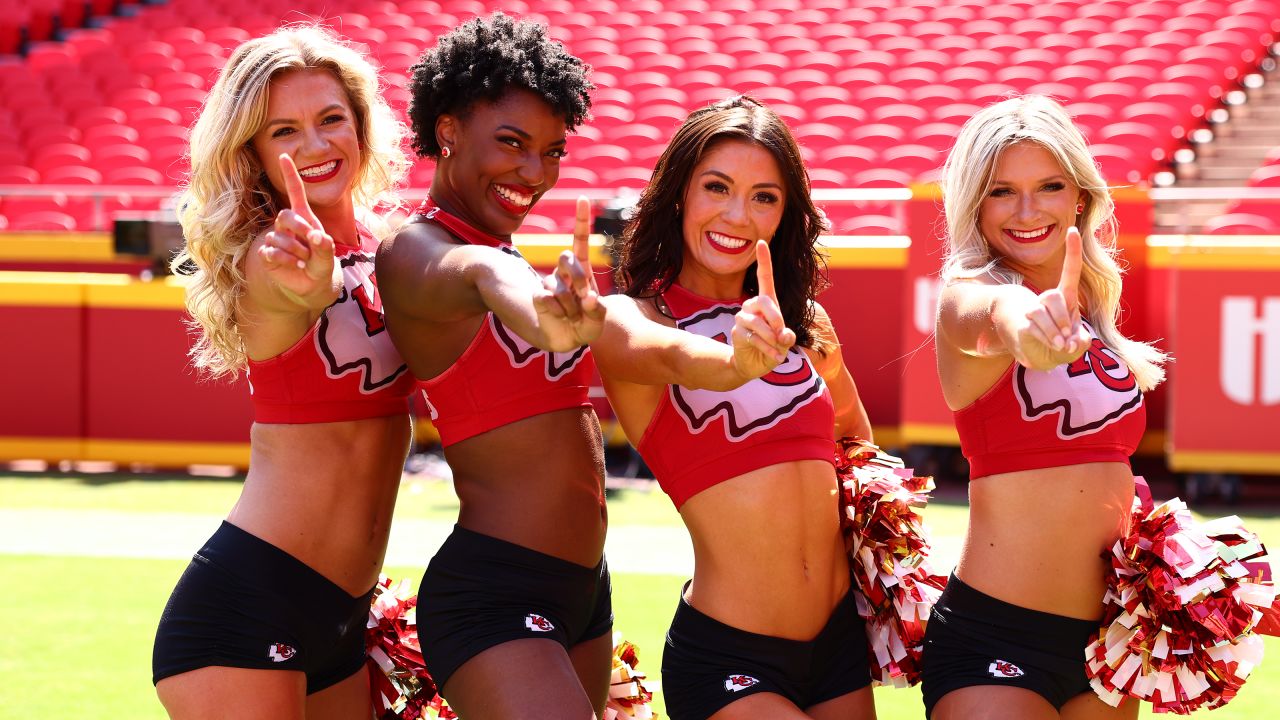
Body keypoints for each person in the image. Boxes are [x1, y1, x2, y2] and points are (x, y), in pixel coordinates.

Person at [152, 25, 416, 719]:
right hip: (247, 608)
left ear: (362, 126)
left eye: (332, 119)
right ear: (255, 155)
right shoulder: (270, 258)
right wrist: (305, 282)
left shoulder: (400, 252)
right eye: (284, 132)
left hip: (343, 614)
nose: (316, 145)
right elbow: (284, 289)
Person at [592, 95, 876, 720]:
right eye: (716, 187)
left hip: (837, 647)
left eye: (764, 197)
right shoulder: (632, 318)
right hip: (732, 658)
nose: (737, 215)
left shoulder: (804, 324)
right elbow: (672, 358)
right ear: (677, 195)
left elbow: (857, 441)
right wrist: (737, 362)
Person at [374, 13, 611, 718]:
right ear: (448, 133)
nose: (533, 173)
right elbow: (477, 275)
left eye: (551, 152)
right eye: (511, 144)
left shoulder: (510, 254)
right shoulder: (417, 250)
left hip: (582, 588)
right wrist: (544, 313)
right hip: (496, 596)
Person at [921, 94, 1168, 720]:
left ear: (1079, 198)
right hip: (994, 639)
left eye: (1049, 187)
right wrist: (1024, 326)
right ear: (975, 206)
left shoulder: (1090, 316)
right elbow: (991, 319)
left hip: (1105, 644)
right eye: (1002, 192)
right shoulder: (968, 295)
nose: (1027, 211)